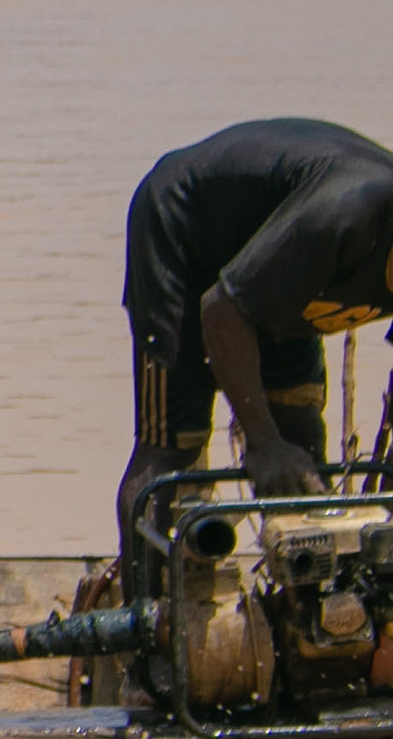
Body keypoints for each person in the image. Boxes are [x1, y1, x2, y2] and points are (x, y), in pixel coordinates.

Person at [115, 119, 393, 578]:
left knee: (301, 443)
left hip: (282, 272)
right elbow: (221, 309)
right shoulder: (342, 217)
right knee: (173, 447)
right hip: (188, 230)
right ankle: (144, 625)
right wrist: (261, 441)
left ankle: (309, 625)